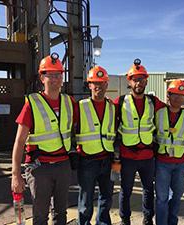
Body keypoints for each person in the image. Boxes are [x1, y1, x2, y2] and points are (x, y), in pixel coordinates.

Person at [11, 53, 75, 225]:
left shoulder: (69, 102)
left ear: (62, 77)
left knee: (61, 214)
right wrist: (16, 175)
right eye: (50, 75)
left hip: (63, 165)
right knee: (40, 217)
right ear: (42, 77)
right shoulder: (32, 104)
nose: (54, 79)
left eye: (58, 75)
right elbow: (19, 141)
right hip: (40, 169)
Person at [114, 59, 165, 225]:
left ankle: (147, 219)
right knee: (126, 190)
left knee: (148, 190)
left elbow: (172, 110)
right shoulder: (120, 102)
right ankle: (125, 220)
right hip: (127, 156)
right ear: (129, 81)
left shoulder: (153, 101)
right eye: (135, 79)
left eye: (142, 79)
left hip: (147, 156)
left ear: (146, 81)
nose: (138, 83)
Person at [75, 65, 116, 225]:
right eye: (95, 83)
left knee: (106, 198)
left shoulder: (113, 107)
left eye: (102, 83)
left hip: (108, 159)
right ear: (89, 85)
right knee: (85, 201)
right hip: (87, 160)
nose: (98, 86)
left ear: (107, 85)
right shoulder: (80, 106)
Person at [154, 79, 184, 225]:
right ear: (168, 95)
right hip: (162, 163)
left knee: (177, 196)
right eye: (174, 94)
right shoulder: (158, 113)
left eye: (181, 95)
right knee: (162, 198)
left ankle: (172, 222)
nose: (178, 98)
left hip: (180, 163)